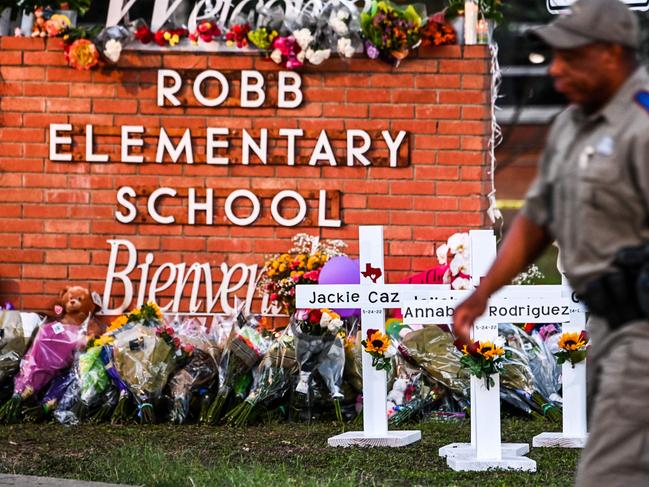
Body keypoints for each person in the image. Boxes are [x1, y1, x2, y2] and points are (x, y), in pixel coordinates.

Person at [452, 0, 649, 484]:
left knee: (608, 474)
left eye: (571, 55)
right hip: (607, 327)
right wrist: (481, 294)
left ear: (611, 54)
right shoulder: (570, 126)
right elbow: (539, 217)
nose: (556, 68)